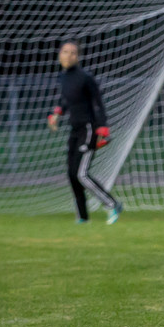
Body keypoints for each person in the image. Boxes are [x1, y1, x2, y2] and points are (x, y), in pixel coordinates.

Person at [47, 40, 123, 224]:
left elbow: (98, 102)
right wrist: (57, 113)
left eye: (73, 52)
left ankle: (112, 204)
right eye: (65, 52)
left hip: (89, 129)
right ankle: (82, 217)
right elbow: (67, 100)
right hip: (75, 130)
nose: (68, 55)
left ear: (78, 57)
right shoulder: (63, 77)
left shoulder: (85, 78)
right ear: (60, 55)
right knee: (71, 174)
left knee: (81, 174)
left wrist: (103, 127)